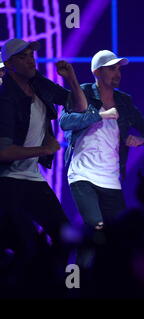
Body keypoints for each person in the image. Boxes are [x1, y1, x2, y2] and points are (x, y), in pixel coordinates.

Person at [0, 38, 87, 258]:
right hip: (7, 182)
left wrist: (72, 78)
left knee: (66, 235)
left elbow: (79, 106)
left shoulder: (38, 84)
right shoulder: (5, 99)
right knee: (23, 245)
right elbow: (3, 152)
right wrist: (43, 150)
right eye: (23, 57)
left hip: (32, 179)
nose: (31, 61)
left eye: (31, 56)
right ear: (8, 64)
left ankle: (53, 282)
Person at [60, 50, 144, 231]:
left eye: (118, 69)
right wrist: (100, 115)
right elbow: (65, 122)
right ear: (97, 72)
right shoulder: (83, 92)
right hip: (83, 175)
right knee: (97, 229)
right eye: (112, 69)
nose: (117, 73)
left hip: (111, 179)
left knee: (116, 237)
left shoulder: (123, 101)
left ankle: (86, 259)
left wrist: (141, 140)